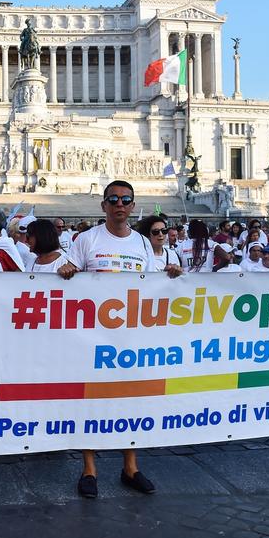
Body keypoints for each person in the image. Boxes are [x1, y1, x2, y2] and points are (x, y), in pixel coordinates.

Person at [58, 180, 181, 500]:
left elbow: (152, 284)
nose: (120, 204)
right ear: (104, 206)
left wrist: (170, 276)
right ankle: (89, 468)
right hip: (93, 336)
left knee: (131, 400)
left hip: (131, 336)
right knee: (90, 400)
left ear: (132, 204)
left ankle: (130, 466)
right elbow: (66, 272)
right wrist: (68, 269)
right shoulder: (86, 239)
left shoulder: (142, 243)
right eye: (113, 199)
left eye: (126, 199)